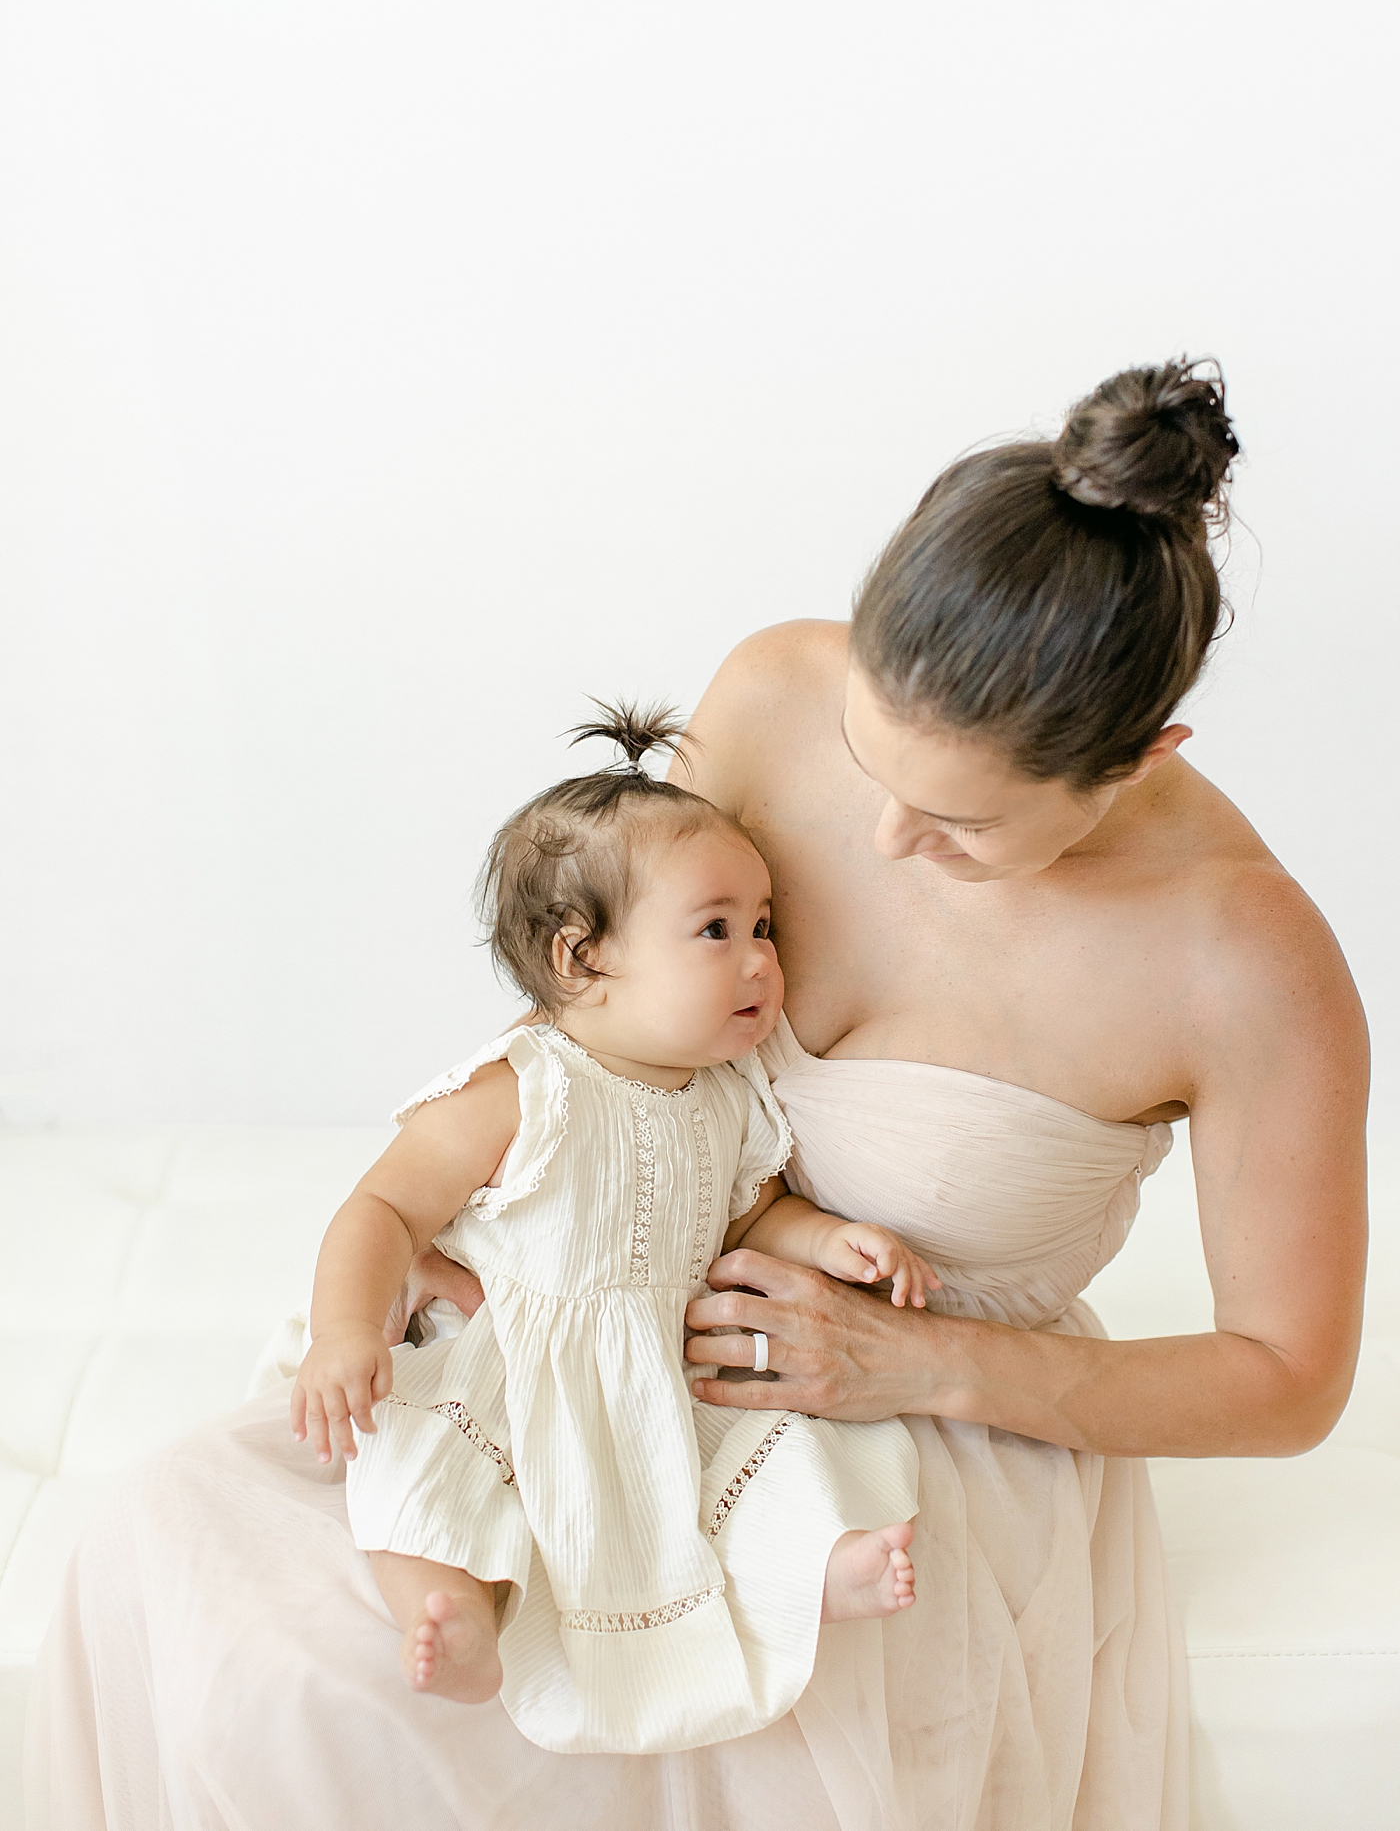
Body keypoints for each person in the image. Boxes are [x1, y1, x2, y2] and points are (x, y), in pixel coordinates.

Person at [26, 359, 1368, 1831]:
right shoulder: (775, 686)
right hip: (600, 1325)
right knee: (184, 1553)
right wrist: (469, 1206)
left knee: (525, 1705)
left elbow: (1288, 1377)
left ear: (1144, 756)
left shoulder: (1246, 961)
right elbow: (609, 977)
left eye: (965, 824)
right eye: (871, 757)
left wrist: (916, 1365)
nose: (881, 834)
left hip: (915, 1437)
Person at [296, 703, 928, 1751]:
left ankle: (817, 1566)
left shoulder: (729, 1094)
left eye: (762, 924)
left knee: (785, 1450)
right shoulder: (521, 1086)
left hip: (662, 1371)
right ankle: (443, 1607)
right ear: (583, 960)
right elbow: (382, 1204)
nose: (760, 958)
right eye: (715, 928)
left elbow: (752, 1212)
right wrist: (343, 1330)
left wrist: (826, 1239)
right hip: (516, 1366)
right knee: (423, 1457)